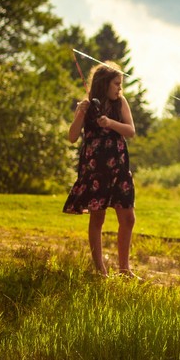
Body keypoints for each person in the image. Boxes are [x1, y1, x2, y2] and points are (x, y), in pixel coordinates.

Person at [63, 61, 137, 278]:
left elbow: (130, 130)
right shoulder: (87, 105)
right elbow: (72, 137)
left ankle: (125, 270)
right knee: (97, 218)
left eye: (120, 84)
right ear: (104, 84)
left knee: (128, 218)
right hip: (95, 170)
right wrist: (80, 114)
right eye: (116, 84)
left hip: (119, 168)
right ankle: (100, 270)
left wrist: (110, 123)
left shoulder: (120, 102)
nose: (119, 88)